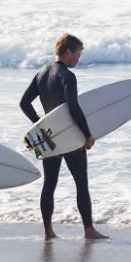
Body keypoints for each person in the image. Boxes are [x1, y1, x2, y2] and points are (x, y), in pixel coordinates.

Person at [19, 33, 107, 241]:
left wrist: (40, 125)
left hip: (50, 137)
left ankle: (48, 232)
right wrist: (87, 134)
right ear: (68, 52)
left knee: (50, 183)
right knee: (81, 183)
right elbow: (73, 108)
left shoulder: (41, 73)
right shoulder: (67, 76)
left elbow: (24, 103)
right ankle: (88, 230)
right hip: (70, 136)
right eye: (78, 53)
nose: (78, 58)